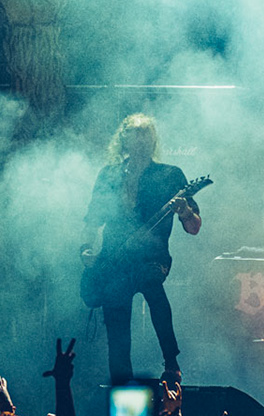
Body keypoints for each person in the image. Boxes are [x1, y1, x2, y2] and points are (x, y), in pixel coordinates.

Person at [80, 114, 200, 383]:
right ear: (123, 139)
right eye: (136, 133)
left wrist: (184, 211)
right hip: (114, 259)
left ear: (154, 140)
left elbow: (194, 227)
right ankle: (122, 385)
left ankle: (171, 363)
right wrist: (86, 249)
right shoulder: (109, 174)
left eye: (147, 133)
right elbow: (91, 220)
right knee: (117, 328)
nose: (142, 139)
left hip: (152, 258)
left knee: (151, 283)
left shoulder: (170, 175)